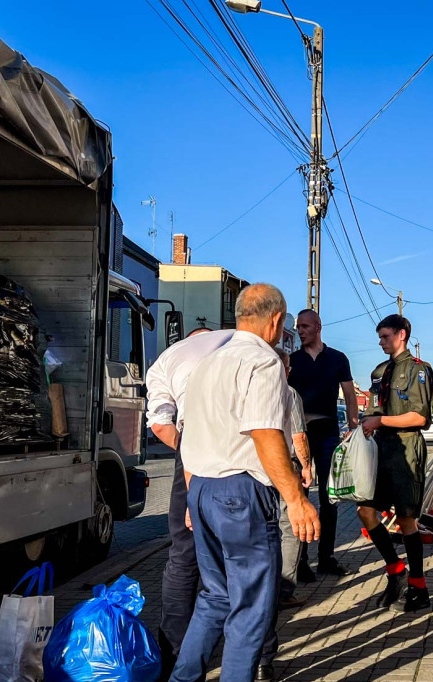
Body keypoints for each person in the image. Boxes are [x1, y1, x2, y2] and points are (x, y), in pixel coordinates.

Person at [170, 284, 320, 682]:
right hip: (241, 494)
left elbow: (190, 436)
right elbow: (266, 432)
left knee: (214, 597)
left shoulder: (207, 364)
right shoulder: (264, 362)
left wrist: (190, 498)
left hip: (201, 487)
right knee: (251, 606)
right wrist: (295, 498)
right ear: (275, 321)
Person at [145, 326, 234, 681]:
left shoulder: (166, 360)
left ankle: (175, 652)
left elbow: (159, 424)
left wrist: (191, 451)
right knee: (243, 553)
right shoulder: (234, 341)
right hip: (241, 447)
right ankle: (254, 653)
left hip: (193, 444)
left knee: (183, 555)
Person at [358, 314, 433, 613]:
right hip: (380, 450)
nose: (380, 342)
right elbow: (373, 408)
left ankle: (419, 587)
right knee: (365, 511)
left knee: (406, 520)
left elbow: (420, 417)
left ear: (401, 335)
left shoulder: (419, 370)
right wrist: (364, 423)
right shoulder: (379, 372)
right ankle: (395, 570)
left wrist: (380, 420)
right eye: (379, 337)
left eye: (385, 336)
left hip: (406, 449)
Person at [257, 347, 314, 681]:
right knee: (288, 530)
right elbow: (298, 435)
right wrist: (306, 468)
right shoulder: (287, 392)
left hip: (247, 475)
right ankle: (282, 591)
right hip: (284, 471)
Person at [288, 308, 358, 577]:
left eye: (305, 326)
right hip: (300, 437)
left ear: (318, 326)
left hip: (329, 435)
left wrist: (353, 427)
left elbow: (350, 394)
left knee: (330, 497)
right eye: (298, 326)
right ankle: (300, 561)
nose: (300, 330)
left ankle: (327, 557)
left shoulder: (338, 358)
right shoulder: (293, 360)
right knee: (300, 496)